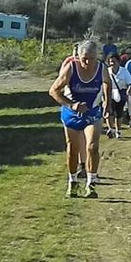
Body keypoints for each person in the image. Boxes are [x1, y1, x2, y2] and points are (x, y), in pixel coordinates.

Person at [49, 40, 110, 199]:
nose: (87, 62)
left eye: (91, 58)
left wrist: (107, 104)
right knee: (73, 148)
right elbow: (53, 91)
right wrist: (72, 105)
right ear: (78, 57)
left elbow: (107, 83)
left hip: (92, 112)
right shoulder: (71, 68)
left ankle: (91, 183)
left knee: (92, 147)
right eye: (84, 58)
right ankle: (73, 181)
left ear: (97, 57)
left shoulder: (102, 69)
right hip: (72, 113)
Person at [60, 43, 87, 177]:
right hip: (70, 102)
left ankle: (83, 165)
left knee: (83, 136)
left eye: (78, 53)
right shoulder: (69, 62)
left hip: (85, 102)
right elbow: (61, 80)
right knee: (71, 139)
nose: (77, 56)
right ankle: (74, 166)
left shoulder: (88, 63)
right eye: (75, 53)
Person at [106, 53, 131, 139]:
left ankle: (118, 130)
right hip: (109, 93)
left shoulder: (124, 71)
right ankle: (111, 129)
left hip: (121, 92)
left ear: (118, 62)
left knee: (119, 113)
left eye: (114, 61)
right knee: (109, 111)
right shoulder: (106, 71)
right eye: (110, 62)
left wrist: (129, 89)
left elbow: (130, 82)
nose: (112, 64)